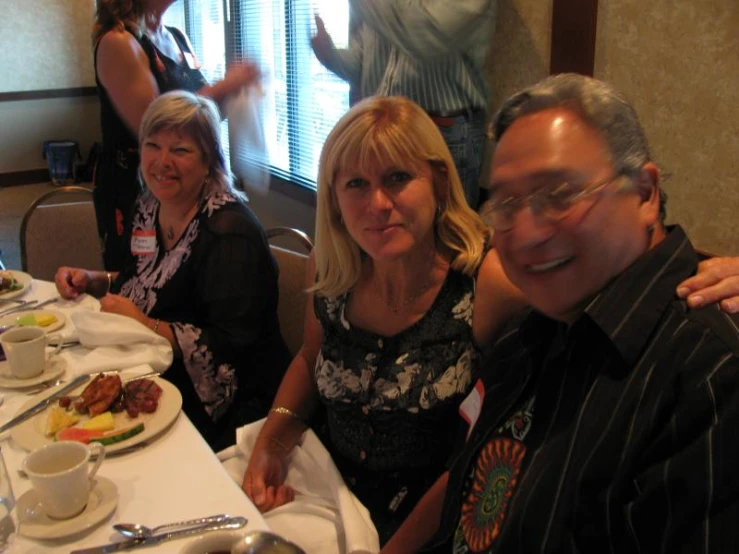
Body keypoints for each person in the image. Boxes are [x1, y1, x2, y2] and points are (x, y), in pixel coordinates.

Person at [382, 74, 739, 553]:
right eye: (506, 204)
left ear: (644, 193)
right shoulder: (534, 326)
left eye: (560, 194)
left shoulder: (709, 372)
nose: (526, 233)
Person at [242, 95, 527, 545]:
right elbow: (309, 360)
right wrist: (270, 442)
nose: (377, 203)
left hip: (433, 525)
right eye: (356, 183)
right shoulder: (331, 268)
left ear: (437, 181)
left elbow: (480, 454)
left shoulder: (485, 281)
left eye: (397, 177)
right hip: (326, 496)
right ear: (334, 199)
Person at [56, 91, 291, 452]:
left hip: (229, 402)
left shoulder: (228, 234)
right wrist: (95, 280)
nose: (162, 162)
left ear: (208, 159)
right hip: (155, 367)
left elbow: (235, 347)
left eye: (180, 150)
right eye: (152, 145)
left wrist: (145, 323)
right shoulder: (150, 205)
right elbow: (145, 278)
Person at [93, 0, 260, 270]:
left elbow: (205, 119)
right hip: (143, 186)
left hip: (189, 183)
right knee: (142, 280)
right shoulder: (119, 42)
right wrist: (228, 84)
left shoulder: (176, 37)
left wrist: (239, 91)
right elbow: (156, 127)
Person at [310, 0, 495, 209]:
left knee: (448, 233)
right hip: (384, 126)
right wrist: (331, 56)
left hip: (444, 130)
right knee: (382, 224)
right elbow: (360, 64)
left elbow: (424, 37)